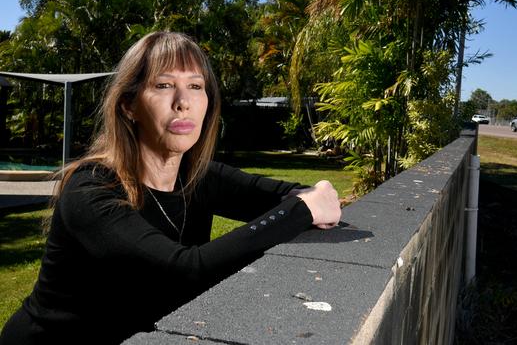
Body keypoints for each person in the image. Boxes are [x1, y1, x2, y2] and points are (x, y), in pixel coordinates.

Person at [0, 32, 341, 345]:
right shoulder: (91, 189)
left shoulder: (197, 176)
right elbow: (183, 272)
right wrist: (303, 209)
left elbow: (293, 195)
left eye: (195, 86)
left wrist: (308, 200)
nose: (183, 102)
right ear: (128, 105)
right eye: (163, 86)